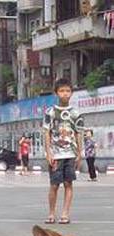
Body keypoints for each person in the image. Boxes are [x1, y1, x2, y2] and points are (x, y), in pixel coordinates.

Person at [43, 78, 84, 225]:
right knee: (54, 185)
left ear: (71, 93)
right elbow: (46, 132)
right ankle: (51, 213)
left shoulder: (75, 113)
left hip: (70, 154)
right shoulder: (51, 112)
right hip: (56, 154)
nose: (65, 94)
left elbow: (79, 133)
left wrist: (80, 153)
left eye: (67, 91)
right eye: (61, 91)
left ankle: (65, 213)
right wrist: (48, 153)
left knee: (68, 184)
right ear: (56, 93)